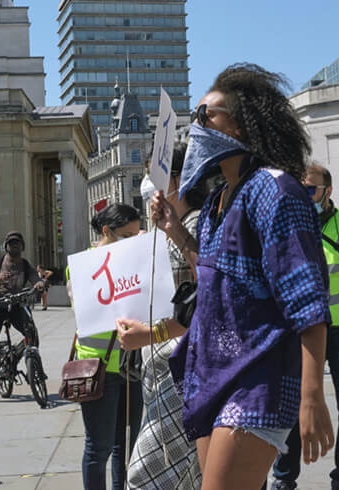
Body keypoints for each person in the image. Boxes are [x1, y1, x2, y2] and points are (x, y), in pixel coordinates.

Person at [151, 64, 334, 490]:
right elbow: (217, 277)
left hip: (260, 378)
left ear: (241, 125)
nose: (195, 128)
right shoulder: (218, 199)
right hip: (212, 375)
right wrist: (175, 230)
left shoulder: (276, 190)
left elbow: (307, 302)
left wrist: (312, 397)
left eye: (205, 116)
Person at [269, 163, 339, 490]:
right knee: (292, 406)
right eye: (298, 189)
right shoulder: (286, 229)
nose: (304, 196)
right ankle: (283, 479)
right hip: (300, 333)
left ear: (327, 191)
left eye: (310, 189)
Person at [116, 144, 208, 489]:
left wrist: (150, 334)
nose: (146, 183)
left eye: (153, 173)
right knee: (188, 477)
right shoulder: (163, 230)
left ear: (179, 179)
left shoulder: (197, 223)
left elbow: (208, 294)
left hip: (184, 369)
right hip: (160, 374)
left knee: (145, 476)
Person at [70, 203, 144, 490]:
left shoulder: (134, 263)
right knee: (98, 447)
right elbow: (85, 309)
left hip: (132, 366)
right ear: (106, 231)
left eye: (137, 235)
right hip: (97, 367)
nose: (133, 242)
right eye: (127, 235)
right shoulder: (83, 264)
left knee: (126, 446)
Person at [0, 231, 42, 404]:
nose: (14, 246)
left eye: (17, 243)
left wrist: (39, 283)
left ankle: (30, 364)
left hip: (16, 305)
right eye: (11, 243)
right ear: (6, 246)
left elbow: (35, 278)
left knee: (32, 333)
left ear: (22, 246)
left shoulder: (25, 265)